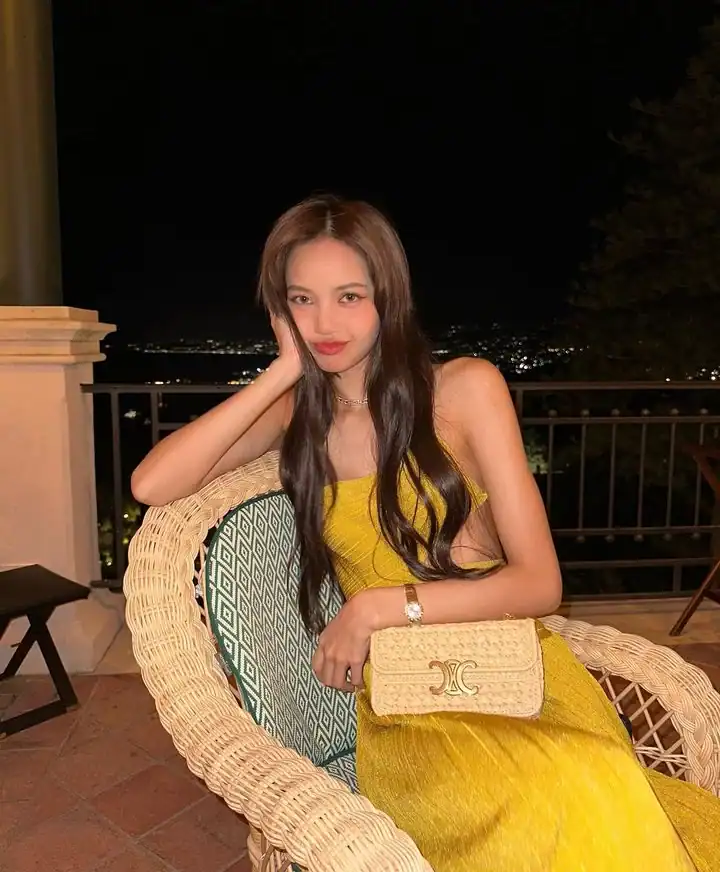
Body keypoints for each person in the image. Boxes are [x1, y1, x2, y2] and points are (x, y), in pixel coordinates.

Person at [131, 195, 719, 871]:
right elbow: (152, 484)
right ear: (280, 311)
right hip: (413, 711)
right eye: (302, 300)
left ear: (388, 296)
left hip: (518, 677)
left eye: (349, 296)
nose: (325, 323)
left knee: (597, 787)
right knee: (570, 800)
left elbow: (540, 584)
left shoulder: (465, 390)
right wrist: (283, 371)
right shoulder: (298, 416)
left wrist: (379, 606)